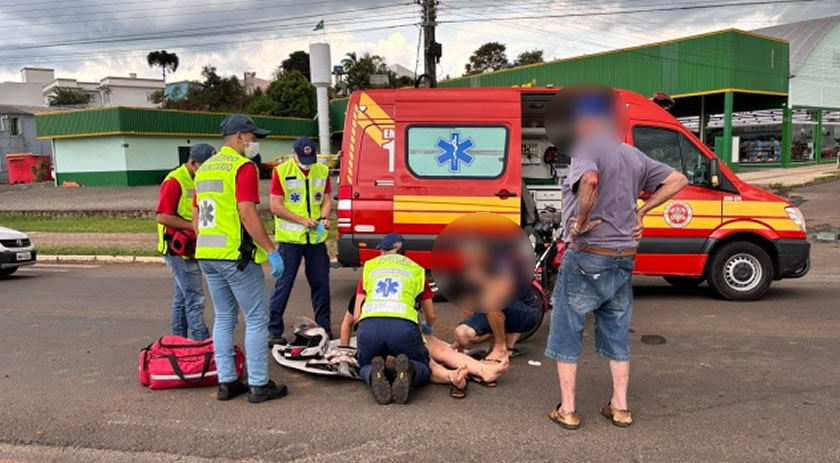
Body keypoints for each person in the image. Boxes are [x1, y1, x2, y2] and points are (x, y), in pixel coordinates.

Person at [544, 92, 688, 429]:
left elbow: (590, 180)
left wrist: (579, 221)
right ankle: (620, 407)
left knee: (568, 329)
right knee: (617, 330)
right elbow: (678, 179)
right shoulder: (633, 155)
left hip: (587, 256)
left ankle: (567, 410)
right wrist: (643, 211)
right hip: (623, 258)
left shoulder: (586, 148)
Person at [193, 114, 288, 404]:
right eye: (253, 137)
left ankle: (227, 382)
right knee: (257, 318)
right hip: (236, 257)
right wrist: (271, 250)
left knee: (223, 317)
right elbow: (247, 213)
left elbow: (196, 215)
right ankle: (259, 384)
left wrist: (206, 244)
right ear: (239, 137)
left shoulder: (205, 168)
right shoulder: (242, 167)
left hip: (208, 255)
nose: (255, 143)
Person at [268, 136, 332, 346]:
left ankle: (324, 327)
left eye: (310, 158)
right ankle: (274, 329)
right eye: (303, 158)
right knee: (284, 285)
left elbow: (327, 199)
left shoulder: (321, 171)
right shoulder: (281, 171)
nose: (307, 163)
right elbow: (275, 206)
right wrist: (302, 220)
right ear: (294, 154)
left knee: (321, 284)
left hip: (315, 239)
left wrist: (324, 217)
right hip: (290, 240)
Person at [354, 232, 431, 405]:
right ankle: (409, 370)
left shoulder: (370, 268)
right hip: (403, 329)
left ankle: (373, 375)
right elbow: (431, 315)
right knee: (423, 366)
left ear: (382, 251)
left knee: (365, 365)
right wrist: (427, 326)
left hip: (369, 328)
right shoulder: (417, 270)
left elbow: (356, 315)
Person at [156, 143, 215, 341]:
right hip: (177, 249)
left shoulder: (198, 179)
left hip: (190, 247)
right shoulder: (174, 181)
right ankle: (202, 342)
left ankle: (177, 341)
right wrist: (195, 227)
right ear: (193, 163)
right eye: (205, 166)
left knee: (183, 298)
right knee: (195, 299)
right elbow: (163, 217)